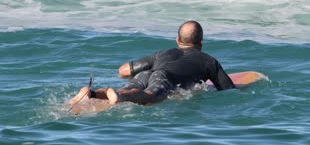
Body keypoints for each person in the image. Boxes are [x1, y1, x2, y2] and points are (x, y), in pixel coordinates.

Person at [69, 21, 235, 107]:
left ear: (177, 40)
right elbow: (228, 90)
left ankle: (92, 93)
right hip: (165, 79)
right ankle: (120, 97)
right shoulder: (208, 61)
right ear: (201, 42)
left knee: (124, 89)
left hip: (147, 73)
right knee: (150, 96)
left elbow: (124, 70)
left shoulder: (162, 53)